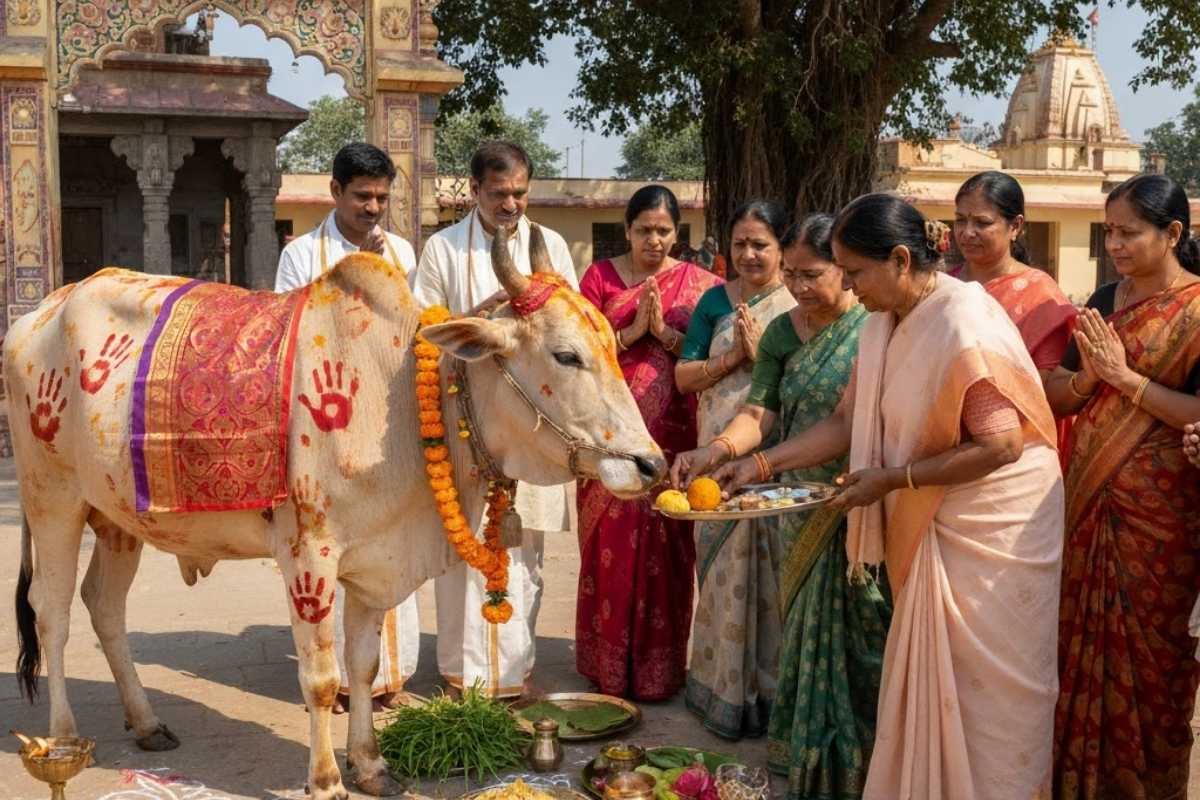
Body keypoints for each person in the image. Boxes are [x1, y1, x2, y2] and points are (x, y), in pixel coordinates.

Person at [714, 194, 1064, 798]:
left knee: (985, 695)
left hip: (993, 529)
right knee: (933, 682)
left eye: (854, 273)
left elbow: (1003, 446)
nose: (849, 286)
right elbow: (848, 421)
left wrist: (895, 481)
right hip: (934, 511)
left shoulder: (961, 321)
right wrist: (758, 462)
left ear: (901, 260)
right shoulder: (882, 324)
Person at [673, 214, 890, 796]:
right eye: (790, 273)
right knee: (804, 630)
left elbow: (846, 427)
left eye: (811, 274)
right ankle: (813, 759)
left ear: (846, 270)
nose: (796, 286)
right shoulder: (780, 334)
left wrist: (762, 464)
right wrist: (715, 452)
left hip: (864, 498)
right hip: (798, 503)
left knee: (864, 634)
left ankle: (870, 763)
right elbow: (758, 415)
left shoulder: (875, 325)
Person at [1044, 174, 1200, 799]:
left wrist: (1123, 378)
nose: (1115, 244)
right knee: (1078, 646)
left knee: (1151, 664)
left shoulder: (1195, 311)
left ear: (1173, 235)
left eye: (1129, 232)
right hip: (1088, 504)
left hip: (1161, 519)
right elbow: (1057, 389)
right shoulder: (1106, 298)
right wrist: (1088, 381)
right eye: (1109, 231)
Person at [409, 140, 577, 698]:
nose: (512, 204)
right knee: (461, 559)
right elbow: (423, 327)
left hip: (530, 428)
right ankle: (461, 677)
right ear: (474, 190)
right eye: (500, 193)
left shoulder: (549, 245)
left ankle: (512, 676)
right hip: (466, 431)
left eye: (521, 192)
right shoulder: (443, 249)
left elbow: (568, 327)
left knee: (524, 557)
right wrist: (474, 321)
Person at [274, 142, 419, 713]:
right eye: (362, 196)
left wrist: (391, 273)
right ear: (335, 193)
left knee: (387, 544)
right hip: (321, 429)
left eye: (382, 197)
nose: (373, 208)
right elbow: (288, 334)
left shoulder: (403, 251)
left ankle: (389, 678)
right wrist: (354, 274)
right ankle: (330, 678)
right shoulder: (302, 254)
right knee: (325, 551)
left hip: (384, 429)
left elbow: (413, 334)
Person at [574, 185, 723, 700]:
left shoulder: (704, 287)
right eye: (644, 230)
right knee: (608, 551)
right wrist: (632, 332)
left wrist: (663, 335)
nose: (654, 240)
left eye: (664, 231)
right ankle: (606, 668)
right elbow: (579, 354)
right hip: (608, 437)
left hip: (673, 438)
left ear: (677, 234)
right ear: (628, 229)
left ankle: (659, 672)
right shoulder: (598, 278)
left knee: (668, 552)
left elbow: (705, 355)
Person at [674, 199, 797, 738]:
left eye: (760, 245)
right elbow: (683, 377)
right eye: (740, 243)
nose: (748, 254)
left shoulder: (800, 304)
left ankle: (770, 697)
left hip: (779, 458)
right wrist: (734, 360)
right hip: (717, 451)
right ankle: (718, 690)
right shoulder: (712, 302)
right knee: (723, 574)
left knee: (773, 579)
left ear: (782, 250)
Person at [951, 171, 1077, 464]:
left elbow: (1042, 391)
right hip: (944, 447)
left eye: (982, 223)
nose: (967, 232)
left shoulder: (1039, 295)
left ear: (1015, 226)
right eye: (960, 220)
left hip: (1015, 452)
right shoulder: (944, 285)